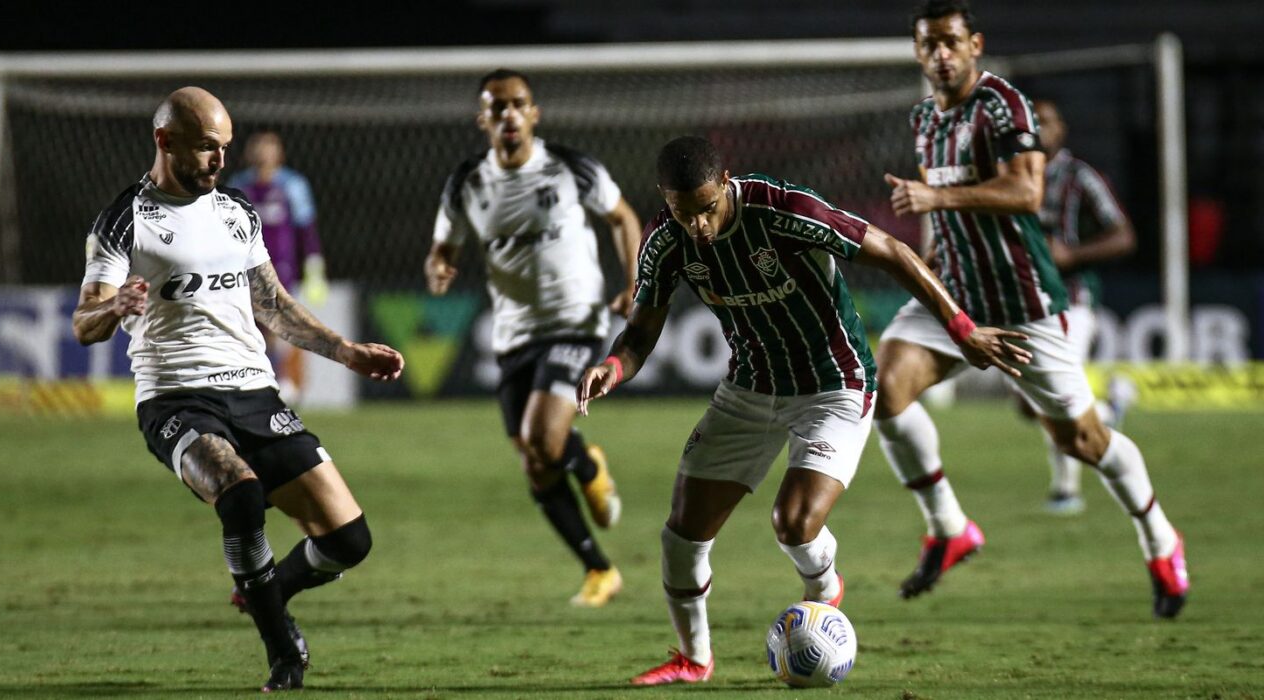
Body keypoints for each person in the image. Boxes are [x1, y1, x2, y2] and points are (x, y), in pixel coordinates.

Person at [577, 135, 1029, 685]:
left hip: (833, 386)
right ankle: (693, 660)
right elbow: (642, 331)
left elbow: (894, 252)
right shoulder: (664, 243)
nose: (697, 224)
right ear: (664, 199)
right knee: (680, 538)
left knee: (792, 523)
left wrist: (963, 329)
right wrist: (614, 367)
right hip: (749, 390)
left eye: (706, 208)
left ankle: (824, 589)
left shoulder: (784, 209)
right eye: (682, 211)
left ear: (725, 183)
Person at [72, 87, 405, 691]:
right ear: (164, 141)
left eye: (224, 148)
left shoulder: (236, 211)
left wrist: (347, 352)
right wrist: (114, 304)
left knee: (349, 540)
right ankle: (283, 652)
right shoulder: (126, 219)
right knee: (241, 496)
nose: (219, 161)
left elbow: (272, 306)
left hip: (255, 393)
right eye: (206, 148)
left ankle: (267, 593)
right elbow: (84, 321)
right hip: (176, 398)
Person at [876, 0, 1187, 618]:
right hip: (958, 291)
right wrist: (934, 253)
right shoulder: (924, 120)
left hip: (1023, 302)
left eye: (951, 42)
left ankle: (1160, 539)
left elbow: (1027, 190)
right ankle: (949, 527)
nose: (941, 53)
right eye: (929, 44)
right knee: (883, 388)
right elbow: (943, 210)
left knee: (1083, 439)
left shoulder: (1002, 105)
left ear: (975, 45)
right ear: (917, 52)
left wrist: (934, 195)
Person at [424, 68, 642, 608]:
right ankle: (600, 569)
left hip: (577, 321)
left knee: (544, 438)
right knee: (535, 462)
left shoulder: (571, 168)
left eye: (518, 103)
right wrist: (439, 268)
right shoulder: (467, 183)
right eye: (497, 107)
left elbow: (622, 217)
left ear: (534, 113)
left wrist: (634, 282)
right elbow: (443, 248)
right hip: (514, 334)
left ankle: (588, 466)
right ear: (484, 120)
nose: (509, 114)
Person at [1031, 98, 1137, 514]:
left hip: (1072, 301)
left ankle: (1066, 490)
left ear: (1063, 130)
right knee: (1031, 401)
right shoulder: (1007, 176)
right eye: (1032, 121)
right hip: (1023, 304)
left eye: (1047, 122)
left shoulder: (1081, 178)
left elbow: (1124, 236)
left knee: (1055, 397)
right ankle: (1111, 408)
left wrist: (1072, 256)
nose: (1038, 129)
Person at [227, 130, 327, 405]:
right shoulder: (239, 186)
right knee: (249, 323)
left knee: (277, 321)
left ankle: (283, 379)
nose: (263, 154)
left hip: (280, 265)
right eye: (258, 148)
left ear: (279, 153)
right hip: (242, 266)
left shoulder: (292, 185)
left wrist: (314, 266)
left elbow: (306, 228)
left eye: (268, 148)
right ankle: (255, 379)